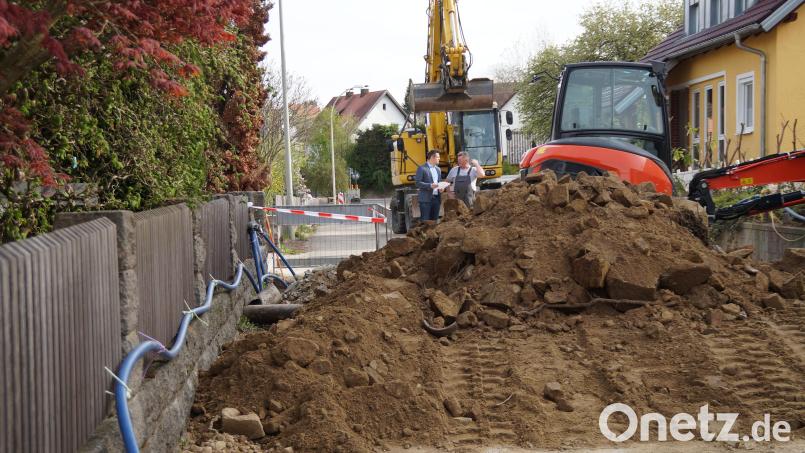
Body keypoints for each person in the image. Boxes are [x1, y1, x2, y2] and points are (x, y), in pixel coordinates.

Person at [415, 150, 443, 222]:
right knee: (425, 221)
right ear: (432, 158)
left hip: (436, 198)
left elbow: (439, 182)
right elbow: (418, 183)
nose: (439, 159)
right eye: (438, 157)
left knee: (434, 221)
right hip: (425, 200)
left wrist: (441, 188)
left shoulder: (438, 169)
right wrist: (430, 185)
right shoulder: (422, 168)